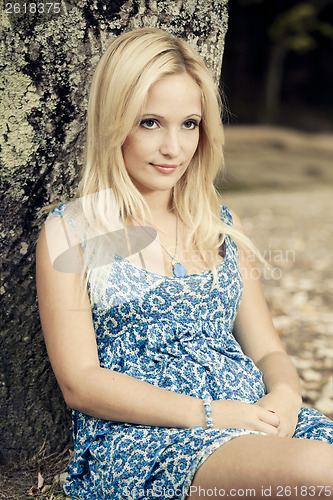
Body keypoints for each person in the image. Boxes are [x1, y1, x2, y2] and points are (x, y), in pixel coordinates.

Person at [36, 28, 333, 500]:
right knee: (320, 473)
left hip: (258, 418)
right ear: (115, 121)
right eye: (150, 122)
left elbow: (269, 351)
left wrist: (286, 397)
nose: (173, 147)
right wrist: (213, 414)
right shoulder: (75, 232)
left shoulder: (218, 226)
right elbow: (81, 383)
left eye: (189, 124)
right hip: (156, 441)